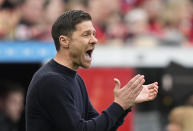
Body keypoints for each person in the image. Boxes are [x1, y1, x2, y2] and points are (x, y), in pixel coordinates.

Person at [26, 10, 158, 131]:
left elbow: (100, 127)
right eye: (86, 34)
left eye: (94, 34)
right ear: (64, 41)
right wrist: (119, 105)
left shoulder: (76, 79)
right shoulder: (51, 81)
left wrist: (125, 104)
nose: (94, 40)